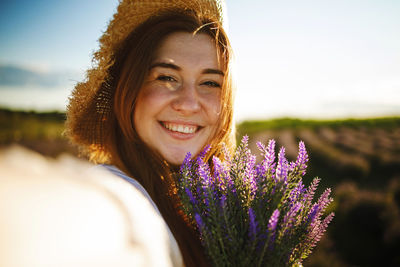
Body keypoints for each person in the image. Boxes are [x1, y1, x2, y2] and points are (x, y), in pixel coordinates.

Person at [66, 0, 236, 266]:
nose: (189, 104)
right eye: (166, 77)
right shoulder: (109, 193)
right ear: (129, 88)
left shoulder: (223, 207)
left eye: (210, 82)